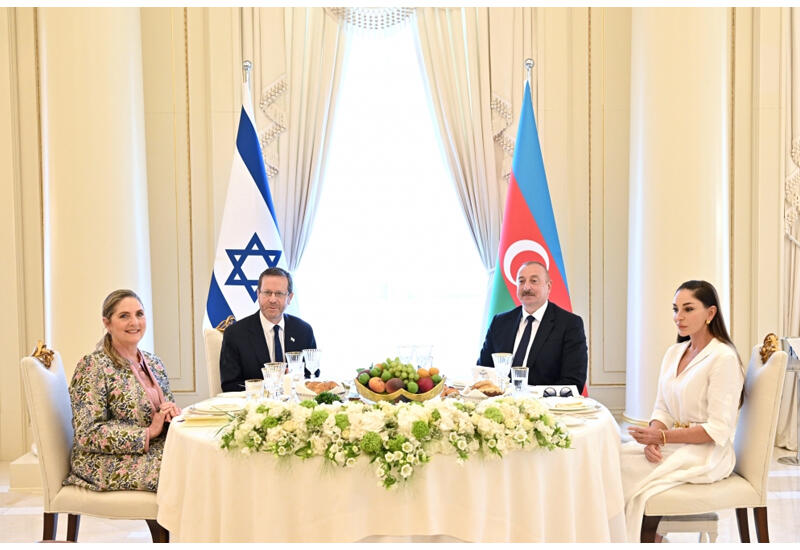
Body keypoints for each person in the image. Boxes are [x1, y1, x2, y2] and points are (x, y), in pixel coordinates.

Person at [622, 280, 744, 542]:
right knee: (613, 459)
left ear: (710, 313)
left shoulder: (723, 358)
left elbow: (718, 430)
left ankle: (639, 539)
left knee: (621, 471)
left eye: (688, 309)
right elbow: (662, 409)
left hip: (707, 454)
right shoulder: (673, 353)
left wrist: (662, 438)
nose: (679, 317)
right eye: (675, 309)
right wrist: (653, 440)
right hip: (676, 445)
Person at [64, 289, 181, 492]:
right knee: (180, 474)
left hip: (152, 450)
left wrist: (169, 414)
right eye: (124, 316)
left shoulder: (154, 362)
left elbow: (162, 414)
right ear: (107, 323)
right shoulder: (93, 366)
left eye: (139, 314)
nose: (134, 322)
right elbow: (87, 433)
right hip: (102, 461)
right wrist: (147, 433)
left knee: (198, 462)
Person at [477, 260, 587, 389]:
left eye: (534, 281)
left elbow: (573, 381)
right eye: (521, 281)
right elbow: (483, 370)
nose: (526, 287)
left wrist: (532, 397)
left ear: (549, 286)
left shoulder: (569, 324)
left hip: (546, 401)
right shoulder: (500, 322)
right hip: (501, 399)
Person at [220, 267, 317, 391]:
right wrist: (269, 386)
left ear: (290, 298)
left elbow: (312, 377)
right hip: (254, 402)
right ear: (258, 294)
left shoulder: (303, 331)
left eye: (279, 294)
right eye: (267, 293)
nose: (272, 299)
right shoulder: (235, 334)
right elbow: (229, 385)